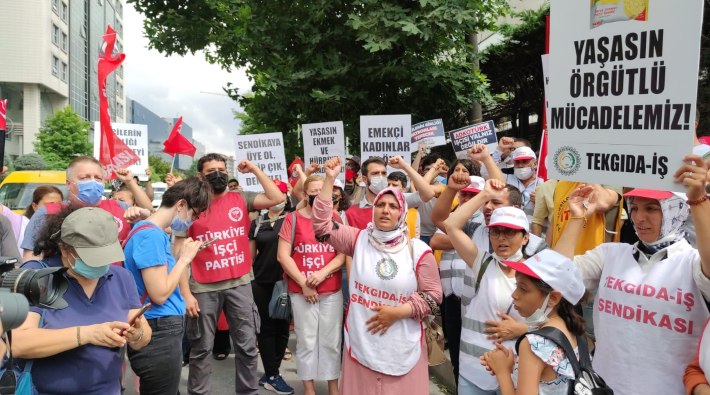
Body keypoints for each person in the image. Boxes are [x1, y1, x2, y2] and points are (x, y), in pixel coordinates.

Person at [552, 154, 710, 395]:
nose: (638, 217)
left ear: (676, 210)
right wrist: (576, 217)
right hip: (604, 387)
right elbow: (557, 277)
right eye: (634, 207)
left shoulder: (693, 263)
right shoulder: (612, 254)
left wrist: (698, 200)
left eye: (652, 208)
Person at [312, 157, 442, 395]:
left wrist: (398, 312)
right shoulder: (357, 239)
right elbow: (321, 226)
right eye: (382, 205)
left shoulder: (418, 250)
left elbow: (434, 296)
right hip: (360, 346)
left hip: (403, 347)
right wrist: (329, 179)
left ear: (402, 212)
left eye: (393, 207)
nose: (386, 210)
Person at [175, 153, 285, 395]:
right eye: (211, 170)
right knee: (201, 349)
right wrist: (185, 293)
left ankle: (247, 391)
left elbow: (277, 197)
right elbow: (180, 251)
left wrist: (254, 168)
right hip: (203, 287)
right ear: (200, 176)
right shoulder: (191, 205)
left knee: (246, 346)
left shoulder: (240, 199)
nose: (218, 174)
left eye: (222, 169)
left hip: (240, 284)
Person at [12, 207, 152, 394]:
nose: (101, 265)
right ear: (64, 249)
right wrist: (86, 334)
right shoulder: (38, 277)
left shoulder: (121, 277)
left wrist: (138, 335)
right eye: (92, 258)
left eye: (105, 257)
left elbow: (141, 332)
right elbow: (18, 343)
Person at [444, 177, 532, 395]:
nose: (501, 238)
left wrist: (523, 329)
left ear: (526, 237)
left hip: (515, 373)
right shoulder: (481, 263)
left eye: (510, 232)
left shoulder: (538, 274)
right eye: (496, 232)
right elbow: (451, 225)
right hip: (473, 372)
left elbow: (556, 322)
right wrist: (484, 195)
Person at [123, 177, 210, 395]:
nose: (193, 220)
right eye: (194, 213)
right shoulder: (150, 235)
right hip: (159, 327)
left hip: (158, 325)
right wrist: (184, 259)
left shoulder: (150, 231)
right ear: (181, 204)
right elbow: (160, 293)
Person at [482, 249, 587, 394]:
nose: (514, 295)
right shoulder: (574, 331)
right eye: (516, 286)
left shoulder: (534, 344)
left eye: (523, 289)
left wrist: (502, 371)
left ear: (553, 298)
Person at [279, 174, 345, 395]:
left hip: (331, 290)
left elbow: (342, 254)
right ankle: (309, 389)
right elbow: (283, 256)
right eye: (313, 192)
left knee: (331, 342)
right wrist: (304, 283)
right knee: (306, 341)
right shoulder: (293, 219)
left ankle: (333, 387)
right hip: (301, 292)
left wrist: (323, 273)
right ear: (305, 195)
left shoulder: (335, 218)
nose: (318, 195)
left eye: (322, 191)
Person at [21, 156, 152, 261]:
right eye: (85, 178)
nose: (93, 182)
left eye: (98, 178)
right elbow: (31, 260)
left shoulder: (120, 208)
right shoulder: (48, 213)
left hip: (111, 284)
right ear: (68, 184)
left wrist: (130, 182)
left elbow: (150, 211)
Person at [429, 174, 485, 386]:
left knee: (475, 355)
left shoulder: (486, 222)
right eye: (464, 194)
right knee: (455, 351)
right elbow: (435, 240)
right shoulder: (453, 217)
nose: (467, 199)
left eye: (473, 195)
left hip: (473, 300)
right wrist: (462, 238)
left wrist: (455, 236)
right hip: (451, 297)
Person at [249, 180, 295, 394]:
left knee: (283, 328)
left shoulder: (293, 218)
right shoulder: (257, 222)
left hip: (286, 281)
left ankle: (271, 372)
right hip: (261, 282)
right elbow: (251, 257)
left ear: (286, 196)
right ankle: (273, 374)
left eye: (281, 193)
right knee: (266, 329)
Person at [344, 156, 435, 231]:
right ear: (364, 179)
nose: (380, 177)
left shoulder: (397, 199)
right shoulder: (352, 212)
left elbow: (428, 194)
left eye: (383, 173)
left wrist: (405, 166)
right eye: (375, 173)